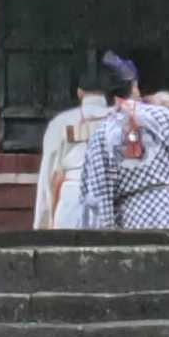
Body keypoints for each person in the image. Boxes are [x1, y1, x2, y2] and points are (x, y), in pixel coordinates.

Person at [79, 52, 169, 229]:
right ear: (134, 87)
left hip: (132, 216)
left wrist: (108, 227)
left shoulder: (101, 134)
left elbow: (99, 193)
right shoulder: (165, 117)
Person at [33, 69, 111, 229]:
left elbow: (49, 170)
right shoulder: (118, 119)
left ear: (80, 92)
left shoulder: (61, 121)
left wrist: (43, 219)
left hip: (72, 193)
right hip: (110, 196)